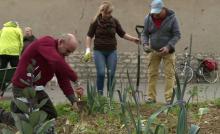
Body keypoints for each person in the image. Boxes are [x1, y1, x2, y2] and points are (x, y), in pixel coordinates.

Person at [0, 34, 84, 128]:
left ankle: (18, 109)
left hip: (37, 90)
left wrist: (73, 101)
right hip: (23, 87)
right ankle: (2, 115)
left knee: (51, 116)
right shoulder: (47, 42)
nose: (68, 54)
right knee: (28, 121)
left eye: (71, 52)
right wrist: (75, 79)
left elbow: (63, 80)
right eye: (68, 51)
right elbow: (56, 61)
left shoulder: (59, 56)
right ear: (61, 42)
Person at [84, 1, 139, 95]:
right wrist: (87, 50)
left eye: (110, 13)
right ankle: (100, 96)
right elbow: (89, 36)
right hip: (99, 51)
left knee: (111, 74)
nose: (108, 15)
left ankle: (110, 98)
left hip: (111, 52)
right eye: (107, 13)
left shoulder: (114, 21)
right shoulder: (95, 22)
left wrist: (133, 39)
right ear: (102, 11)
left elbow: (122, 34)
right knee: (101, 73)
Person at [142, 0, 181, 104]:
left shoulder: (172, 18)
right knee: (152, 74)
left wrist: (168, 47)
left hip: (168, 52)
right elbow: (144, 33)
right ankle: (151, 97)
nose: (156, 15)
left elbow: (177, 34)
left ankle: (169, 98)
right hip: (153, 51)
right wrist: (145, 44)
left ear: (163, 9)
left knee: (169, 74)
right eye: (154, 13)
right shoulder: (148, 18)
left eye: (158, 13)